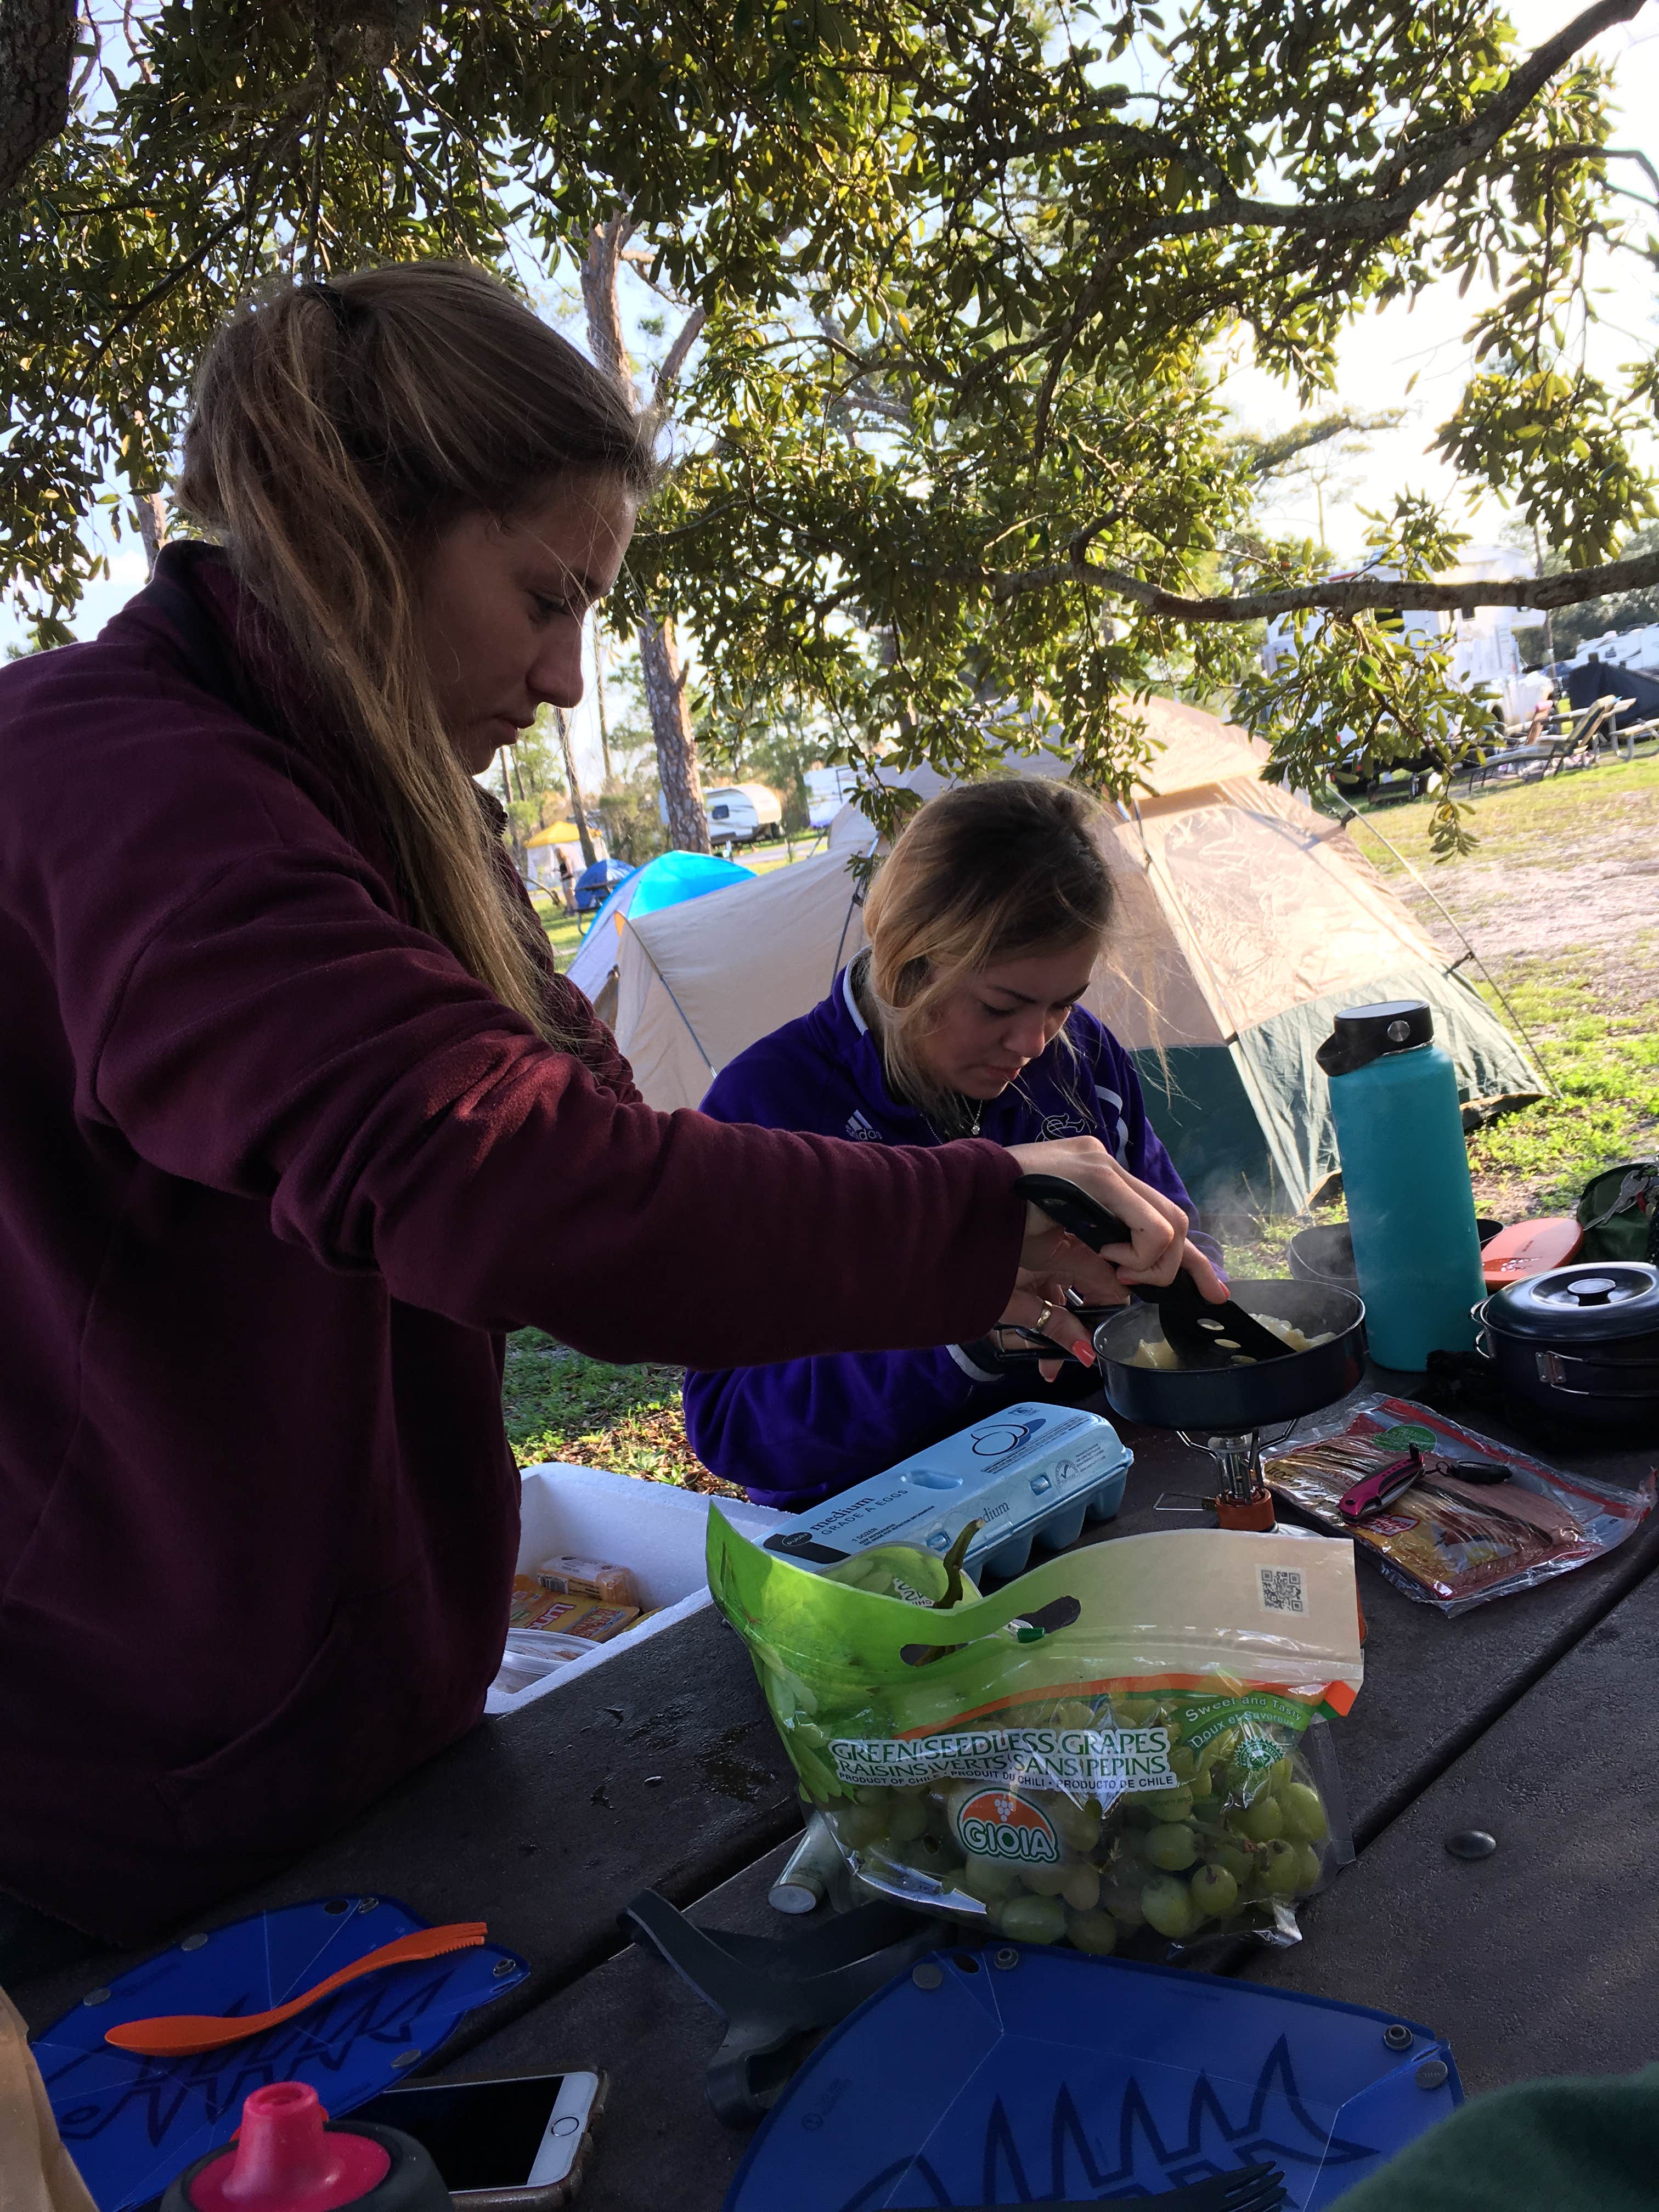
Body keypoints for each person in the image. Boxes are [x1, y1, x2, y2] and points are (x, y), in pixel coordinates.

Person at [0, 263, 1218, 1963]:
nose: (569, 683)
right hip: (121, 1783)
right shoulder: (113, 783)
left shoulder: (396, 811)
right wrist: (967, 1219)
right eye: (543, 598)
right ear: (360, 530)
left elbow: (591, 1116)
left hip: (357, 1723)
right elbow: (508, 1177)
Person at [683, 777, 1223, 1506]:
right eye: (999, 1006)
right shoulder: (766, 1109)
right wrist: (956, 1339)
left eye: (1063, 1003)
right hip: (876, 1536)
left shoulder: (1080, 1062)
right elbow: (733, 1427)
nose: (1033, 1042)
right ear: (907, 964)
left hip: (1094, 1483)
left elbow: (1179, 1241)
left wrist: (1164, 1280)